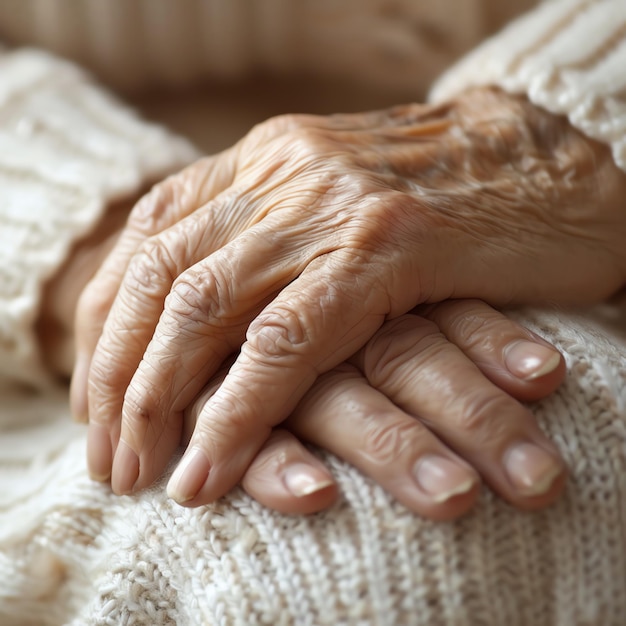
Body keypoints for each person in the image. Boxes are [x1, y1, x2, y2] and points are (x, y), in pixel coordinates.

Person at [0, 1, 624, 624]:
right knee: (323, 540)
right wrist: (121, 256)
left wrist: (552, 139)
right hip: (70, 231)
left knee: (553, 424)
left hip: (542, 207)